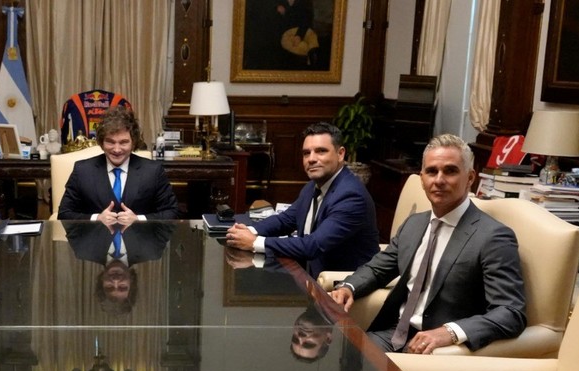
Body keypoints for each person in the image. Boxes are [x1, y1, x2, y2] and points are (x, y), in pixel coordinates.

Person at [329, 134, 526, 354]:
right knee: (328, 355)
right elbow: (377, 269)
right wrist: (348, 287)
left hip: (437, 351)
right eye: (432, 171)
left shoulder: (493, 236)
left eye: (450, 171)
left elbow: (510, 312)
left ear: (470, 178)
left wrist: (450, 332)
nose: (439, 180)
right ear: (422, 178)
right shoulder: (414, 224)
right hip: (392, 335)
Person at [225, 122, 379, 278]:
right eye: (306, 153)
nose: (311, 159)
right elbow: (285, 220)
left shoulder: (351, 196)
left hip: (341, 283)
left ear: (340, 154)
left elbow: (314, 245)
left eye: (321, 151)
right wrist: (249, 231)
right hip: (308, 275)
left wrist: (254, 242)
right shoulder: (313, 186)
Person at [58, 106, 179, 223]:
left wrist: (139, 220)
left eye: (123, 142)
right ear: (101, 142)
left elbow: (172, 212)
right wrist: (96, 218)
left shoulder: (153, 171)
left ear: (133, 143)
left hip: (139, 236)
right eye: (110, 142)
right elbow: (64, 213)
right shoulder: (82, 171)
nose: (116, 149)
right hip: (96, 236)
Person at [65, 221, 174, 315]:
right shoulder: (153, 249)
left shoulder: (83, 249)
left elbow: (67, 213)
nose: (116, 281)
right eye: (122, 287)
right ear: (131, 281)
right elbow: (171, 215)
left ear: (101, 281)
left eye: (109, 287)